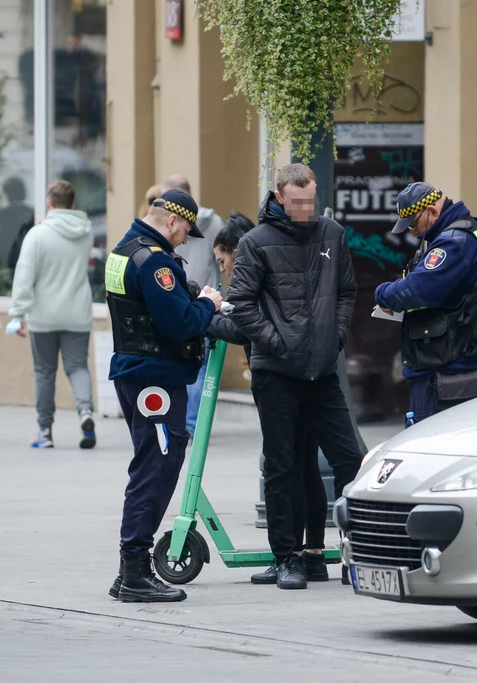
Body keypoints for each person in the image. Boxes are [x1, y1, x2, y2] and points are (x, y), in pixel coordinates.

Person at [226, 163, 362, 590]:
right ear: (280, 198)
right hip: (277, 373)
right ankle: (286, 558)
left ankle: (355, 552)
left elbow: (346, 291)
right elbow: (240, 302)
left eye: (312, 199)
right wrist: (278, 341)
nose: (307, 208)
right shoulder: (255, 242)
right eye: (298, 201)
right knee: (282, 466)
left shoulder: (332, 234)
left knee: (350, 460)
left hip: (321, 371)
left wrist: (334, 337)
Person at [105, 189, 223, 602]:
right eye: (185, 231)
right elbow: (180, 324)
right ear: (173, 220)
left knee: (151, 464)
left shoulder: (124, 250)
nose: (183, 240)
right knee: (155, 468)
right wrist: (208, 303)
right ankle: (134, 571)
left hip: (135, 373)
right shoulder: (154, 261)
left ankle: (128, 572)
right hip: (154, 378)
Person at [210, 211, 329, 585]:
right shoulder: (278, 257)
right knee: (306, 465)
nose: (225, 270)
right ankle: (313, 555)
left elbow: (245, 327)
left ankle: (289, 557)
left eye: (222, 261)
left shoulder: (255, 268)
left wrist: (204, 314)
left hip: (281, 378)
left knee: (285, 467)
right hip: (310, 372)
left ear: (234, 250)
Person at [375, 182, 477, 424]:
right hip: (459, 361)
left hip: (446, 368)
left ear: (432, 212)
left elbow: (419, 289)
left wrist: (383, 293)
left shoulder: (453, 243)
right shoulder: (471, 232)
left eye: (413, 224)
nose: (412, 233)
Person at [8, 180, 96, 449]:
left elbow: (24, 276)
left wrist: (17, 314)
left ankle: (44, 432)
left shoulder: (37, 235)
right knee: (78, 366)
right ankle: (85, 412)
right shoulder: (86, 231)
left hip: (43, 316)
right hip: (77, 312)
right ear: (72, 204)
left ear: (49, 204)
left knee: (44, 372)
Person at [162, 175, 225, 436]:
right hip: (206, 300)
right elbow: (220, 262)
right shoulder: (215, 223)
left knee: (187, 365)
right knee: (200, 368)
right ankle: (191, 424)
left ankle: (183, 423)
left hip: (180, 301)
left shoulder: (166, 225)